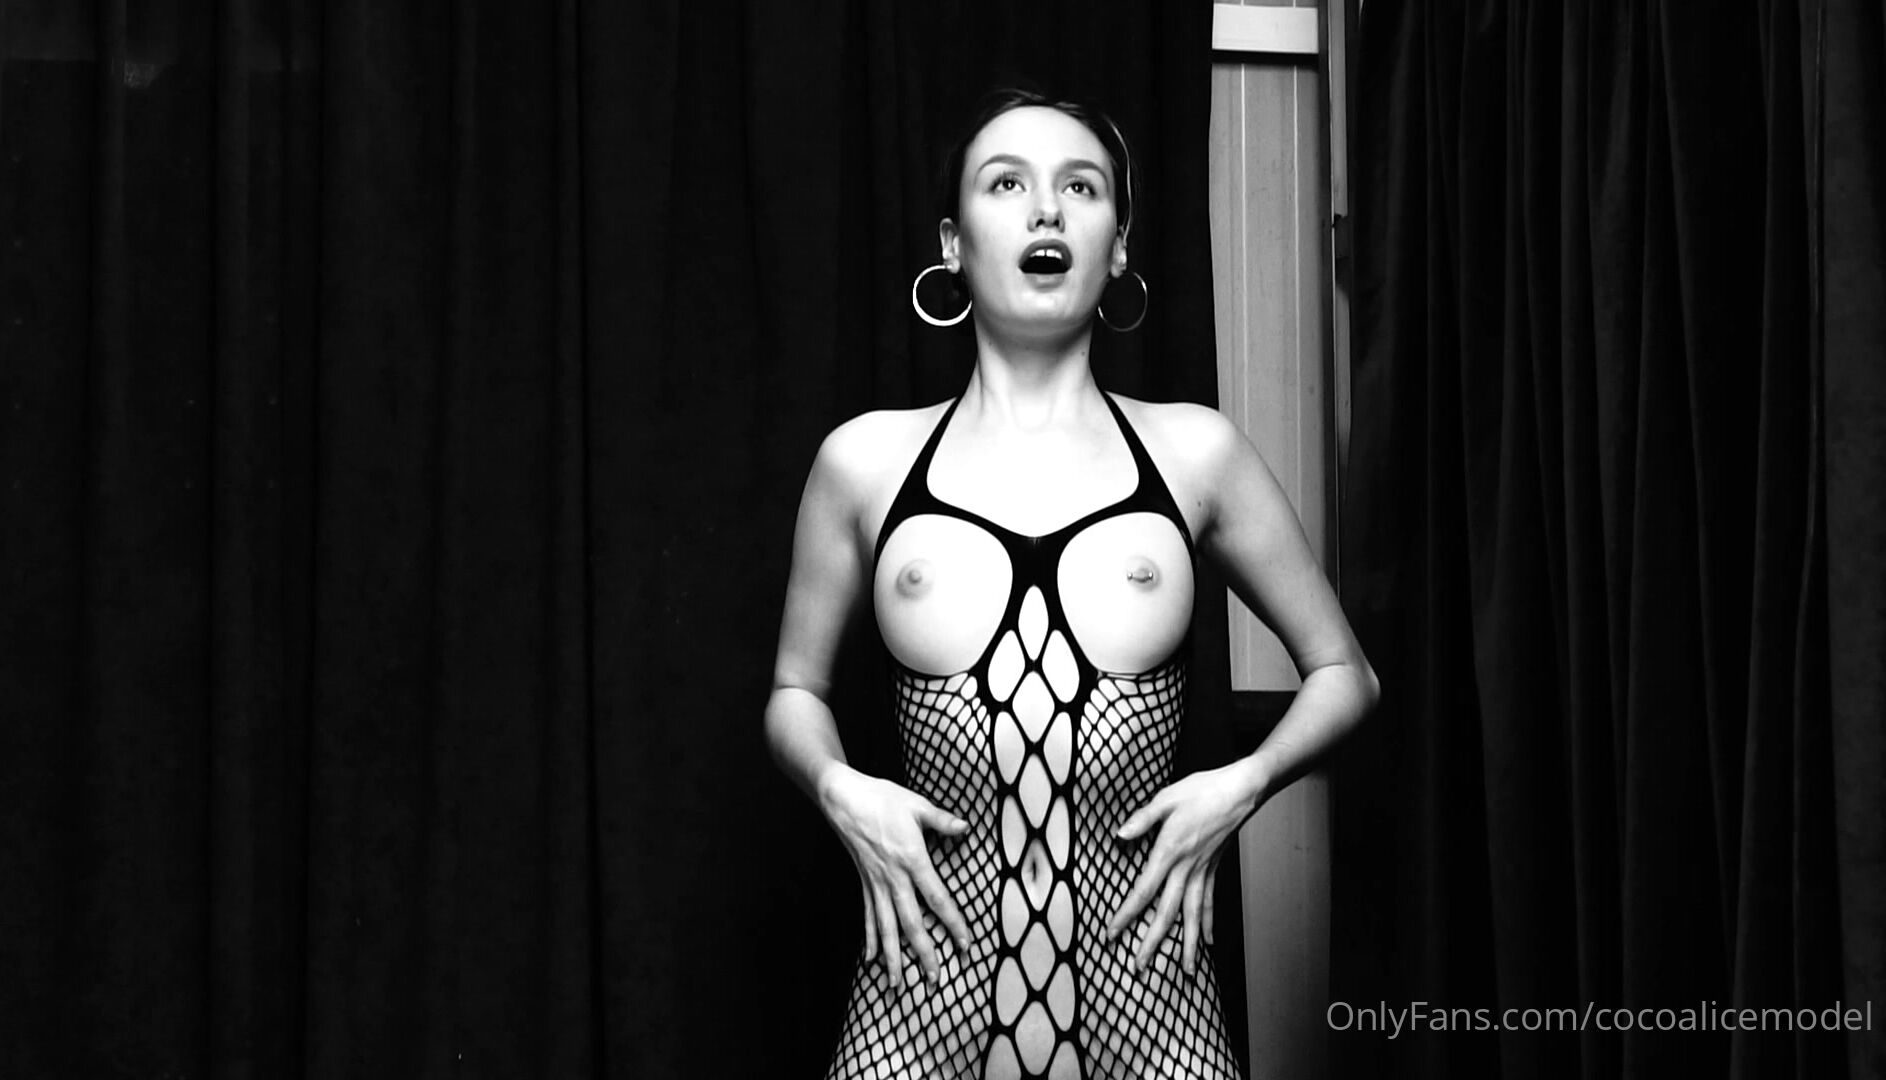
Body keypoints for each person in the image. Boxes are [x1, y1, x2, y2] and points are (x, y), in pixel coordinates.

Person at [763, 88, 1379, 1080]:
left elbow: (1346, 674)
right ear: (952, 243)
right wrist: (840, 789)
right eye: (1006, 185)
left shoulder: (1196, 454)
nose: (1046, 209)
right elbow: (795, 690)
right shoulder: (865, 463)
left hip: (1153, 1010)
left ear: (1119, 246)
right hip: (918, 1009)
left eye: (1081, 188)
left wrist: (1243, 783)